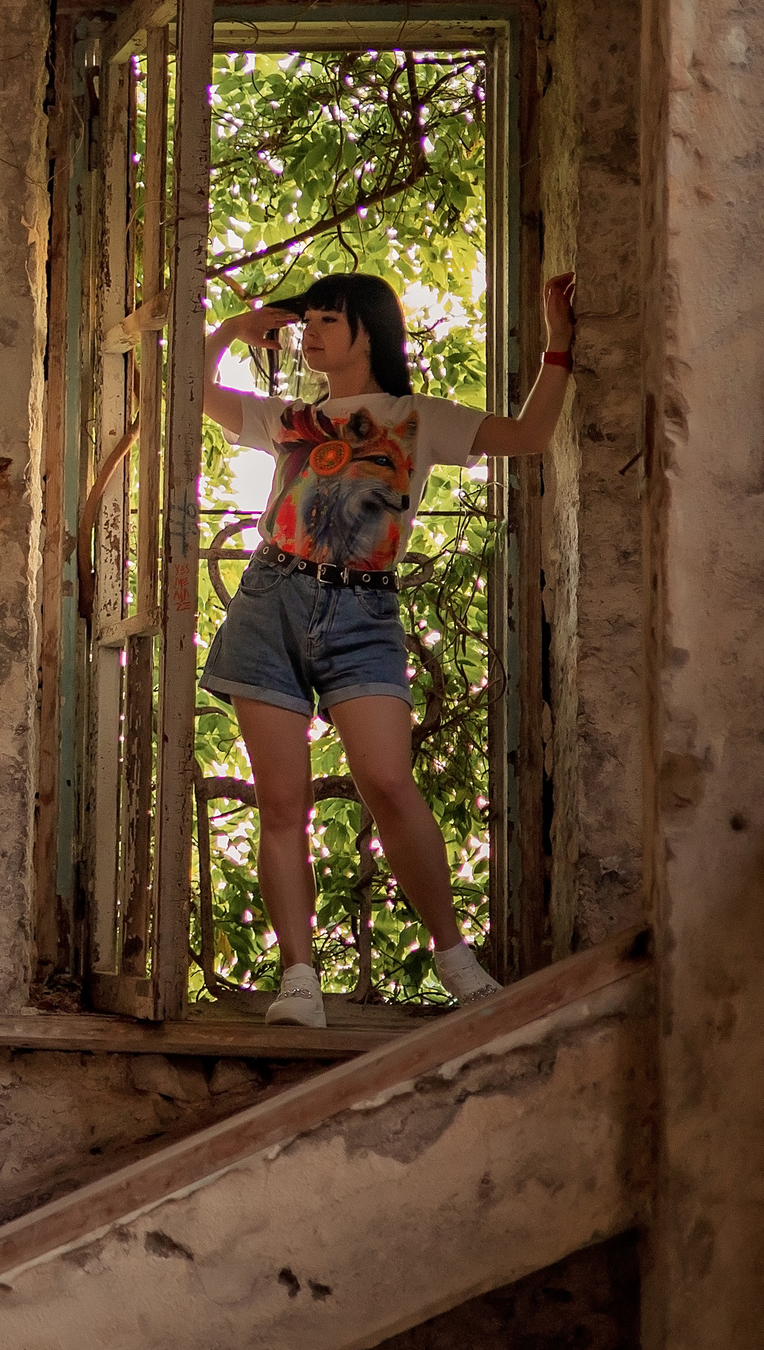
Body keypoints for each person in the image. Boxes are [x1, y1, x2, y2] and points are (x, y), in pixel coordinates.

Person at [203, 270, 576, 1026]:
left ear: (367, 329)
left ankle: (455, 958)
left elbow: (529, 437)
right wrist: (230, 331)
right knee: (281, 801)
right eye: (304, 320)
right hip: (270, 601)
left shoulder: (416, 417)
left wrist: (558, 346)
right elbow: (181, 393)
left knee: (388, 782)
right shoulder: (290, 417)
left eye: (325, 319)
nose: (308, 331)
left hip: (363, 611)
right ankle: (298, 977)